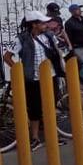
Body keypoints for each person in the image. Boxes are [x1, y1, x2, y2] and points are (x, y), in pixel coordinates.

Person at [3, 10, 63, 148]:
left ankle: (53, 135)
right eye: (42, 22)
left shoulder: (49, 36)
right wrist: (19, 72)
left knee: (50, 106)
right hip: (32, 79)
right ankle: (35, 138)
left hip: (51, 76)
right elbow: (7, 56)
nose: (45, 24)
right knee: (34, 109)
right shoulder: (22, 38)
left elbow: (58, 50)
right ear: (34, 24)